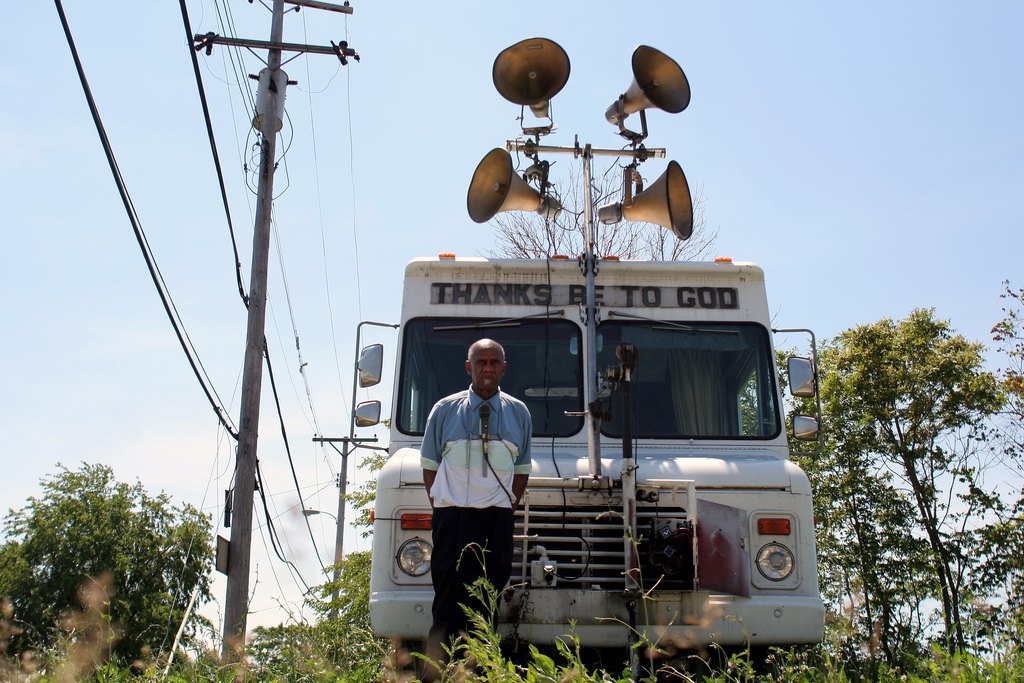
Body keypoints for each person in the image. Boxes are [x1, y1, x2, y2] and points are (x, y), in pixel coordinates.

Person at [420, 338, 532, 675]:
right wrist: (443, 504)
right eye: (480, 362)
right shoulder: (444, 410)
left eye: (493, 362)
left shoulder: (518, 413)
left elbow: (522, 471)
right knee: (447, 601)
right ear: (468, 366)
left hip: (496, 521)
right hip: (451, 518)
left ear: (503, 368)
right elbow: (429, 465)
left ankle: (480, 673)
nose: (487, 368)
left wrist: (503, 506)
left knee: (486, 599)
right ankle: (436, 675)